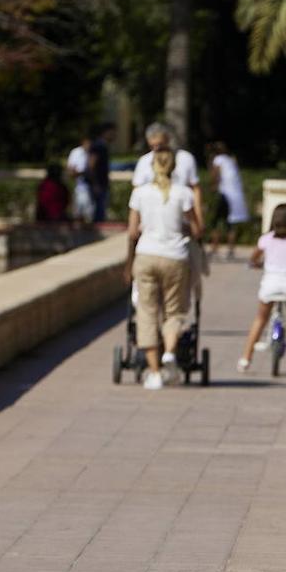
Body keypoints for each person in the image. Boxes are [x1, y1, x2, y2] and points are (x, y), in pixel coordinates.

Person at [122, 149, 197, 391]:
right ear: (174, 167)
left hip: (146, 255)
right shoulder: (183, 193)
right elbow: (197, 229)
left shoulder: (140, 193)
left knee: (146, 311)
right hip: (175, 256)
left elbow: (133, 232)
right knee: (174, 311)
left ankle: (153, 372)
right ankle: (170, 352)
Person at [238, 203, 286, 375]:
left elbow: (253, 258)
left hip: (270, 284)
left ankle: (246, 358)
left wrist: (256, 264)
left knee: (260, 320)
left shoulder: (266, 240)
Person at [135, 123, 206, 298]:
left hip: (181, 223)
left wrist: (198, 220)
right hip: (152, 224)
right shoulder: (144, 162)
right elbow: (136, 195)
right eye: (152, 146)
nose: (156, 149)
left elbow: (195, 189)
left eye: (159, 145)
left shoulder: (185, 159)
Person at [205, 141, 249, 260]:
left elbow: (215, 176)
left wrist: (211, 187)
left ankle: (214, 249)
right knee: (230, 224)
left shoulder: (218, 160)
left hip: (224, 194)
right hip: (235, 196)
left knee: (216, 221)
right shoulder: (231, 160)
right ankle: (230, 250)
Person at [87, 122, 115, 223]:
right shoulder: (99, 146)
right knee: (98, 215)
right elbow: (91, 165)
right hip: (98, 185)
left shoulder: (102, 146)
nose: (114, 135)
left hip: (101, 184)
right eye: (112, 132)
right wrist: (95, 184)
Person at [66, 134, 94, 223]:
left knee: (89, 215)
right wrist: (82, 172)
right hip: (80, 188)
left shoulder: (93, 152)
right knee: (78, 214)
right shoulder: (76, 152)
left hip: (91, 187)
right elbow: (71, 171)